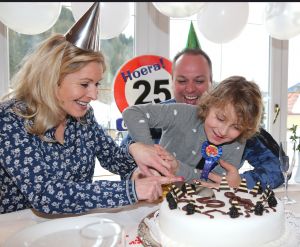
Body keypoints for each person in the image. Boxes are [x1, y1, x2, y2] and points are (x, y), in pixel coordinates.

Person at [0, 27, 185, 214]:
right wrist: (132, 190)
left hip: (74, 223)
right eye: (84, 84)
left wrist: (134, 151)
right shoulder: (9, 119)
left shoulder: (83, 116)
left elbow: (114, 160)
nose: (94, 94)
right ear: (51, 78)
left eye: (96, 84)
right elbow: (46, 195)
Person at [121, 48, 284, 190]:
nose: (190, 88)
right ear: (172, 82)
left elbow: (280, 169)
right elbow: (121, 161)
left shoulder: (242, 126)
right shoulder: (162, 114)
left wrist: (242, 182)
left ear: (211, 85)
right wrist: (140, 169)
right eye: (182, 80)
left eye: (199, 81)